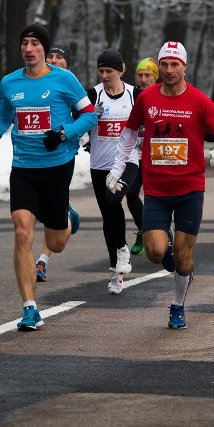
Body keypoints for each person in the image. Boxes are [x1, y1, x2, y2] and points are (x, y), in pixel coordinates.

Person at [106, 41, 214, 329]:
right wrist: (117, 169)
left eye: (174, 64)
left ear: (184, 67)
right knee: (154, 252)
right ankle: (171, 257)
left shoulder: (199, 101)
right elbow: (128, 134)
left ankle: (177, 305)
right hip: (156, 191)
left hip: (190, 190)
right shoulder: (147, 99)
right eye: (164, 64)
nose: (168, 69)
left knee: (184, 257)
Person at [0, 24, 96, 331]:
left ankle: (67, 220)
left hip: (57, 167)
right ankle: (30, 308)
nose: (29, 49)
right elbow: (5, 115)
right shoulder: (9, 82)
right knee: (22, 233)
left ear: (44, 49)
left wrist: (63, 134)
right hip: (23, 168)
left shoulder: (64, 79)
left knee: (56, 243)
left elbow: (88, 115)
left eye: (34, 44)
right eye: (25, 43)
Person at [86, 49, 143, 294]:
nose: (105, 75)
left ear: (120, 70)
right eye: (101, 71)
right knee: (108, 216)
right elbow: (75, 122)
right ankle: (116, 271)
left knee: (114, 199)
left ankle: (122, 251)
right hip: (99, 165)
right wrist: (89, 117)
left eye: (109, 71)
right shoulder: (92, 95)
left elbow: (152, 119)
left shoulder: (135, 95)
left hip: (128, 162)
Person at [35, 43, 74, 282]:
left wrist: (66, 135)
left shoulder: (69, 83)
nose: (54, 60)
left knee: (51, 214)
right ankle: (70, 216)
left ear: (67, 63)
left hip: (61, 156)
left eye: (59, 57)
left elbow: (86, 115)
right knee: (40, 209)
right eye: (51, 56)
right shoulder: (35, 80)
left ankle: (42, 261)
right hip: (34, 158)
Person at [126, 57, 160, 255]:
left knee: (154, 197)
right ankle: (142, 229)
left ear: (155, 77)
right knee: (130, 193)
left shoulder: (161, 96)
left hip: (156, 156)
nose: (144, 79)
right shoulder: (132, 97)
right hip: (135, 155)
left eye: (148, 75)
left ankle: (161, 233)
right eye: (140, 75)